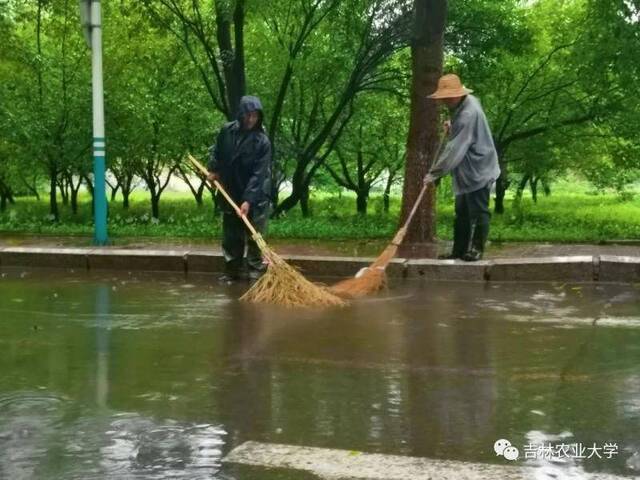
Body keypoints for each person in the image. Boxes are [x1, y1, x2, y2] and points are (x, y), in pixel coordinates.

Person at [423, 74, 500, 261]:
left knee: (479, 210)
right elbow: (461, 129)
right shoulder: (467, 103)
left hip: (479, 169)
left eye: (449, 97)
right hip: (466, 171)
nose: (446, 101)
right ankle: (458, 250)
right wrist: (452, 123)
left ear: (459, 93)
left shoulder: (467, 114)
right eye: (444, 98)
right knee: (462, 213)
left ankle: (476, 250)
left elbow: (454, 149)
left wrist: (434, 174)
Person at [207, 96, 272, 281]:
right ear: (241, 115)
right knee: (231, 235)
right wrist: (213, 169)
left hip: (256, 194)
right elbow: (217, 152)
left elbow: (259, 175)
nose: (251, 120)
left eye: (255, 116)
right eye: (248, 115)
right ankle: (232, 272)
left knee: (255, 235)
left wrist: (248, 200)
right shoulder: (227, 131)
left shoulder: (262, 141)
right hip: (231, 190)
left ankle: (255, 272)